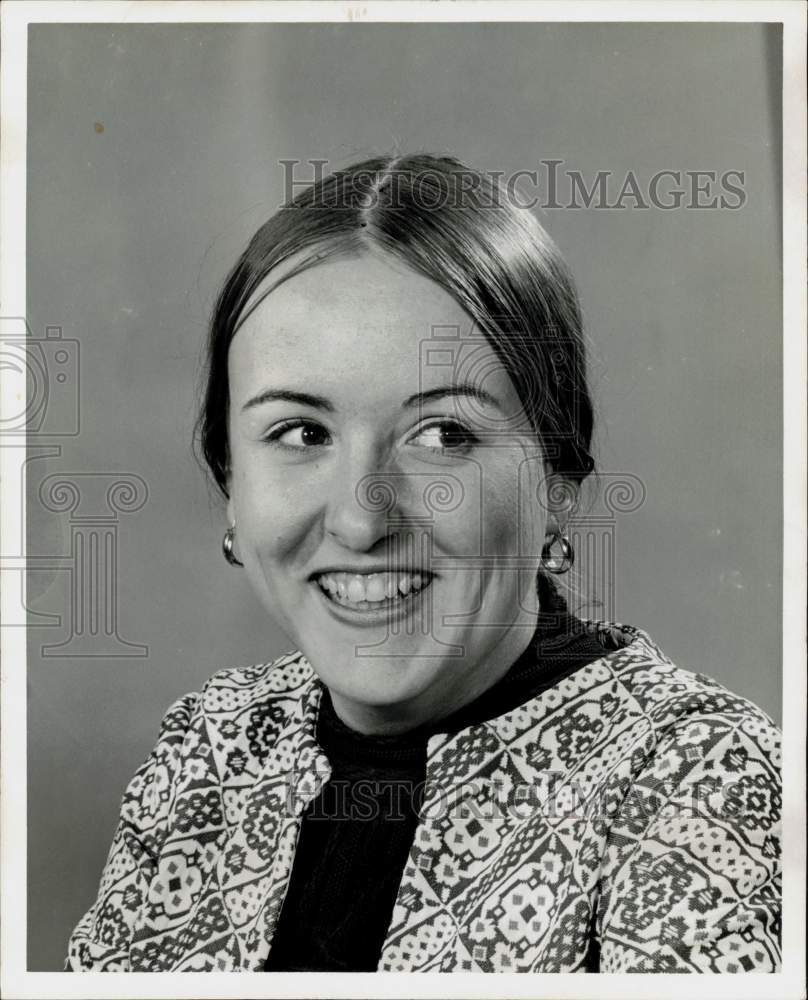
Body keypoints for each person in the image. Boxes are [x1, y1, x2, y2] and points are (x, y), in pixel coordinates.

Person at [65, 153, 781, 973]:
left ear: (556, 481)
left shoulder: (696, 776)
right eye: (301, 433)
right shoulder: (210, 750)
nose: (362, 518)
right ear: (231, 482)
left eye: (443, 435)